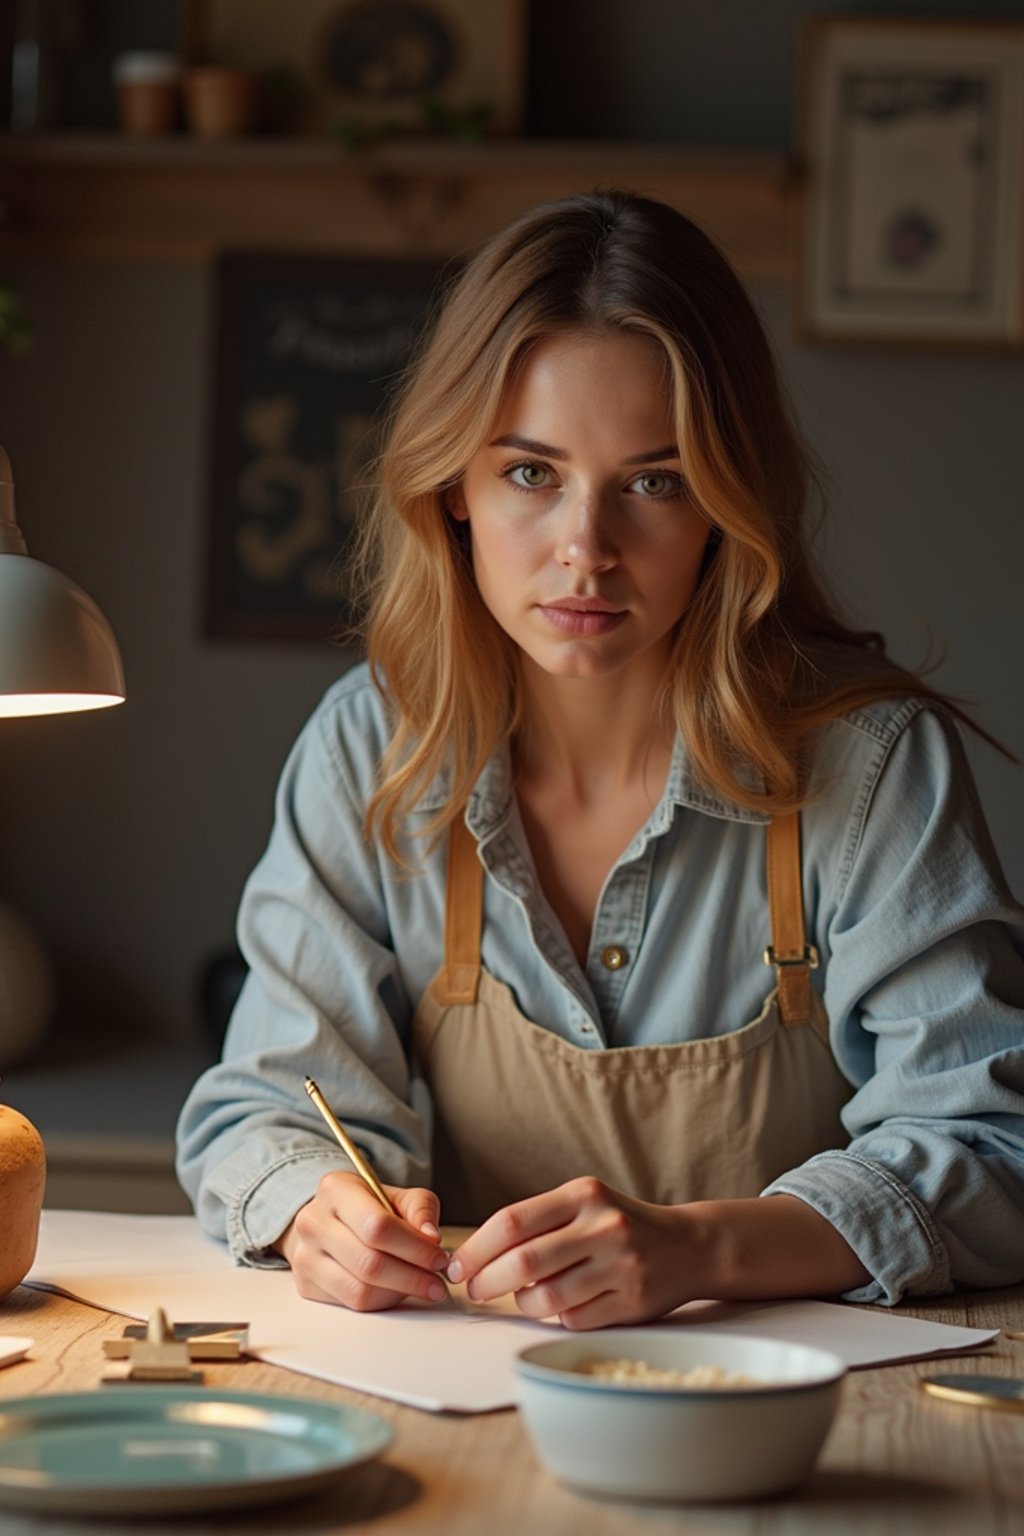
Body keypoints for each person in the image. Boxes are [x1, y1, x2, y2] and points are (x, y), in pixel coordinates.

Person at [176, 190, 1024, 1329]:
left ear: (726, 508)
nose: (586, 552)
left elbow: (988, 1141)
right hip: (478, 1387)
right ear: (454, 490)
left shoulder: (869, 768)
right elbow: (266, 1105)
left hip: (796, 1402)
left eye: (653, 481)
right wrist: (314, 1208)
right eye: (531, 473)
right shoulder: (372, 747)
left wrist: (700, 1248)